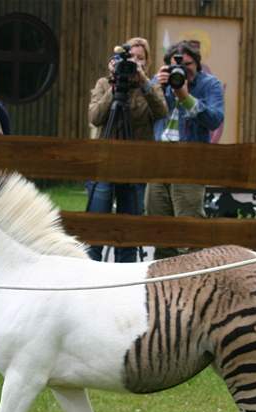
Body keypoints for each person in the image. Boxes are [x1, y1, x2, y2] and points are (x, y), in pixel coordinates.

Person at [86, 36, 167, 263]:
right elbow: (95, 117)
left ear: (147, 62)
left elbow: (162, 111)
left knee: (129, 233)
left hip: (135, 167)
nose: (135, 62)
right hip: (105, 163)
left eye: (141, 59)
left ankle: (125, 278)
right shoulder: (104, 83)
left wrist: (142, 81)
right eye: (131, 57)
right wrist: (114, 85)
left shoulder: (150, 87)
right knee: (95, 228)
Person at [145, 40, 224, 259]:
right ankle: (163, 282)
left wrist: (185, 97)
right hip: (159, 162)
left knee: (190, 230)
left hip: (190, 162)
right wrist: (154, 88)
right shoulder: (160, 82)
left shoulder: (210, 85)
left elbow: (215, 119)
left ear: (197, 64)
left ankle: (194, 280)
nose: (182, 69)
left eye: (188, 63)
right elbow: (142, 114)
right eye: (176, 65)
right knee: (159, 227)